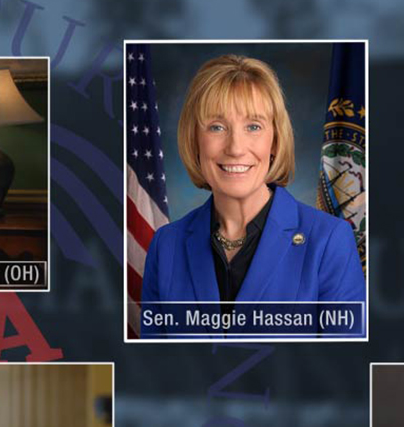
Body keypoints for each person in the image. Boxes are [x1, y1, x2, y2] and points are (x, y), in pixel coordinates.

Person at [139, 55, 365, 335]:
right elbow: (152, 371)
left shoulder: (329, 241)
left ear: (275, 140)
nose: (235, 147)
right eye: (217, 127)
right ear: (194, 139)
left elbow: (345, 371)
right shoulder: (166, 246)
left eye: (253, 126)